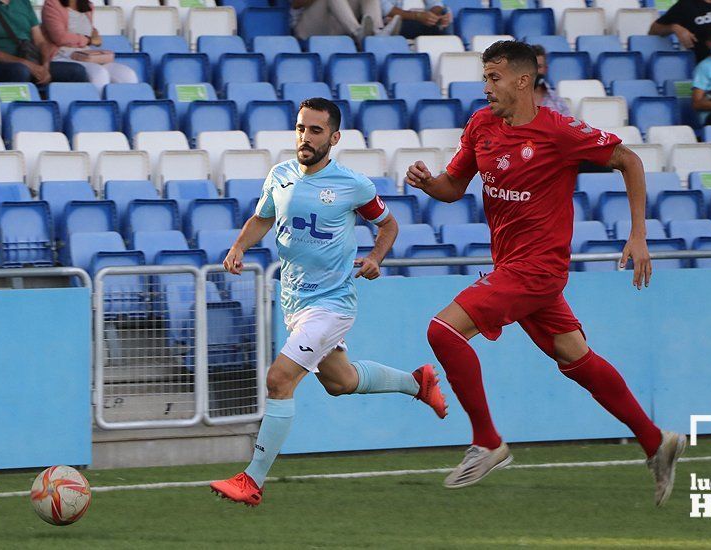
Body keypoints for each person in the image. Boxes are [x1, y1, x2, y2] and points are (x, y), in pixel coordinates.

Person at [405, 41, 686, 506]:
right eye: (485, 77)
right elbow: (453, 186)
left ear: (522, 80)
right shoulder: (481, 125)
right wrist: (428, 183)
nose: (486, 87)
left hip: (537, 269)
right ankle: (657, 441)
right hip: (512, 266)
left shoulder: (558, 132)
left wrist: (638, 235)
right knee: (576, 359)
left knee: (442, 331)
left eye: (494, 78)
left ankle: (488, 440)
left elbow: (629, 161)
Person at [209, 98, 448, 507]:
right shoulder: (279, 176)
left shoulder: (352, 185)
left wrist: (375, 257)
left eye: (316, 131)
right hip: (294, 303)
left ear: (334, 138)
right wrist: (239, 246)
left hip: (332, 303)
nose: (305, 137)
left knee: (278, 380)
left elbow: (388, 223)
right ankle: (417, 382)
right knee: (340, 383)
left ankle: (252, 480)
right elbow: (263, 218)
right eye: (301, 128)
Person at [0, 0, 88, 88]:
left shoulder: (23, 2)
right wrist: (27, 64)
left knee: (77, 71)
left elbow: (40, 42)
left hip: (31, 61)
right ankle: (21, 115)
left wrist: (45, 64)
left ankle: (62, 117)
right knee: (20, 70)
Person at [41, 0, 138, 93]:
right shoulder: (52, 3)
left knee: (128, 75)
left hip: (86, 56)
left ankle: (120, 108)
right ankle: (95, 108)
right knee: (99, 74)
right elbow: (60, 38)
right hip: (62, 56)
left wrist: (95, 34)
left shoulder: (88, 6)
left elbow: (89, 30)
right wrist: (88, 40)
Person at [291, 0, 398, 44]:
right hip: (307, 31)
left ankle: (377, 32)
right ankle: (357, 32)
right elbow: (297, 3)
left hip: (338, 28)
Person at [531, 44, 570, 116]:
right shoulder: (512, 100)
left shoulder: (557, 102)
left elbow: (568, 125)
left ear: (546, 69)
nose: (535, 71)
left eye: (539, 67)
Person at [381, 0, 450, 39]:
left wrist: (433, 17)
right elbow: (386, 9)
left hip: (423, 21)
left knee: (445, 15)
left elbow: (436, 4)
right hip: (395, 21)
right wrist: (418, 16)